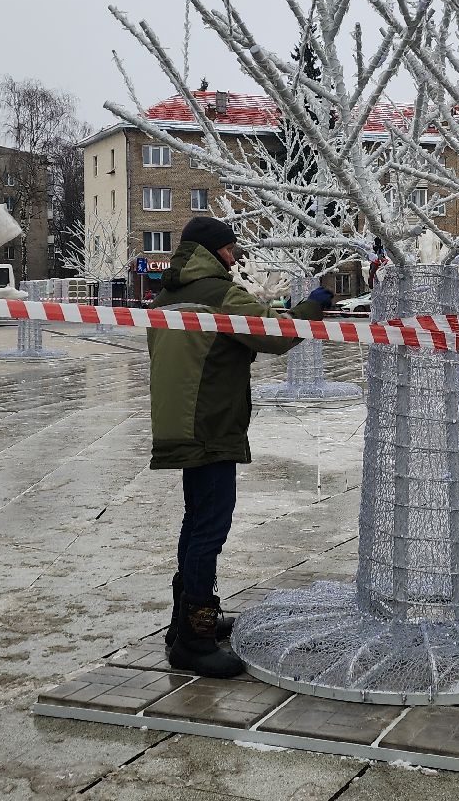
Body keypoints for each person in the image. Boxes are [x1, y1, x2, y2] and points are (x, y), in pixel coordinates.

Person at [148, 215, 331, 678]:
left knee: (196, 525)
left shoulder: (167, 294)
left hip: (179, 421)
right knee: (209, 529)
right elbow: (277, 335)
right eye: (229, 249)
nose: (235, 257)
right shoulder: (220, 294)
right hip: (210, 422)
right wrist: (315, 304)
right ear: (212, 251)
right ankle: (194, 639)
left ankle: (188, 623)